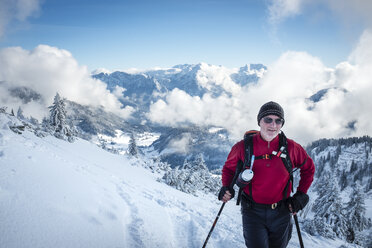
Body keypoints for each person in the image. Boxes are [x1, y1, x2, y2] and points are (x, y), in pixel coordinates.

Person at [218, 101, 315, 248]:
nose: (273, 125)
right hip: (252, 211)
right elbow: (229, 169)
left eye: (278, 121)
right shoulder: (243, 147)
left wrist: (301, 195)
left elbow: (309, 168)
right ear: (259, 121)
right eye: (268, 119)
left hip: (281, 211)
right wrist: (226, 187)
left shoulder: (291, 148)